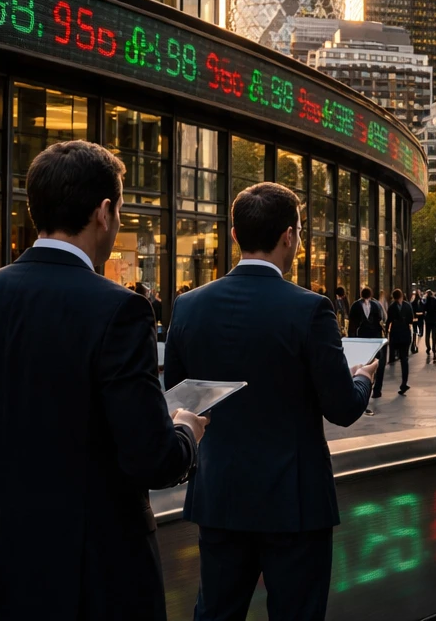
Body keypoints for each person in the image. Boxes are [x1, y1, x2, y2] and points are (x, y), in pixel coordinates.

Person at [0, 140, 207, 621]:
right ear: (104, 212)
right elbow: (151, 458)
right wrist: (186, 430)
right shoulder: (121, 310)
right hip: (90, 574)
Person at [164, 182, 376, 621]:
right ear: (290, 236)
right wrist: (363, 379)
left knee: (216, 612)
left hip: (220, 493)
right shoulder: (310, 309)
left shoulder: (188, 306)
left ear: (235, 235)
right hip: (294, 501)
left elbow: (180, 399)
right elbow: (342, 409)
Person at [348, 286, 387, 400]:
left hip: (362, 340)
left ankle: (365, 387)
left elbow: (352, 324)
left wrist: (352, 339)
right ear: (370, 294)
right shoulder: (376, 305)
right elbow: (381, 319)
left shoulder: (355, 305)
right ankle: (377, 389)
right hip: (374, 339)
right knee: (378, 364)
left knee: (363, 365)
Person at [387, 288, 415, 394]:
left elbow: (389, 320)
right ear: (402, 296)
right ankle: (404, 382)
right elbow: (411, 320)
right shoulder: (407, 306)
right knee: (404, 359)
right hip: (405, 334)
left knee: (399, 357)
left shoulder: (391, 307)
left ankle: (403, 383)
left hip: (395, 334)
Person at [423, 288, 436, 361]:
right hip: (434, 319)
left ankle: (428, 347)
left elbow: (424, 309)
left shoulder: (426, 300)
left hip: (428, 319)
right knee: (434, 336)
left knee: (427, 335)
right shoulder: (435, 300)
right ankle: (434, 348)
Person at [410, 290, 425, 354]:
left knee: (415, 331)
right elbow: (423, 310)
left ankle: (414, 344)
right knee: (419, 333)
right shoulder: (421, 302)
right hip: (419, 319)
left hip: (415, 319)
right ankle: (415, 345)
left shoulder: (413, 303)